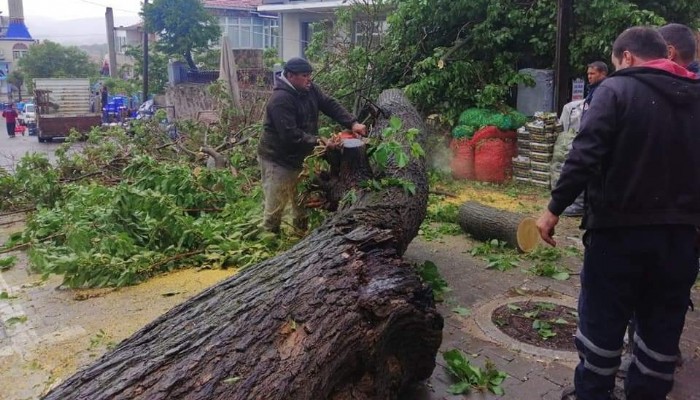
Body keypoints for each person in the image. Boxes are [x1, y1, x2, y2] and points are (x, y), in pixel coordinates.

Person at [536, 27, 700, 400]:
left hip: (618, 237)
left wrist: (552, 209)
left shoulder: (616, 90)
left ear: (626, 57)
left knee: (602, 328)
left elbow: (584, 157)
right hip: (680, 241)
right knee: (660, 332)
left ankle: (593, 394)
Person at [258, 57, 366, 233]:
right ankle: (270, 240)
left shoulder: (309, 89)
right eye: (305, 75)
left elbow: (329, 104)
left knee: (302, 201)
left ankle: (300, 236)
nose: (309, 79)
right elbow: (290, 136)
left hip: (302, 157)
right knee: (275, 207)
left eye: (310, 75)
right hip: (277, 159)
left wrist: (352, 123)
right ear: (291, 76)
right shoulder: (280, 100)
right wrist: (320, 141)